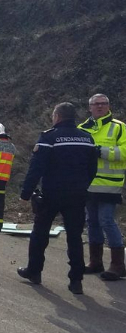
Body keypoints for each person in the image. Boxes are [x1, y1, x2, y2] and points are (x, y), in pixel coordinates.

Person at [17, 102, 97, 294]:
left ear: (57, 117)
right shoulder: (87, 138)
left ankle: (34, 272)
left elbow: (37, 168)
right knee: (75, 237)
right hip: (77, 195)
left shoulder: (49, 137)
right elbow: (92, 169)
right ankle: (76, 281)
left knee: (40, 233)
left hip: (52, 194)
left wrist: (26, 193)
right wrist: (82, 186)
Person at [78, 93, 126, 281]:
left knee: (106, 220)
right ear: (89, 107)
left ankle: (118, 265)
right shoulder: (82, 128)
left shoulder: (119, 128)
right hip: (88, 185)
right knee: (92, 221)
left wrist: (101, 151)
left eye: (103, 104)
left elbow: (124, 152)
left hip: (109, 184)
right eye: (96, 104)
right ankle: (95, 261)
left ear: (108, 106)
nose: (100, 107)